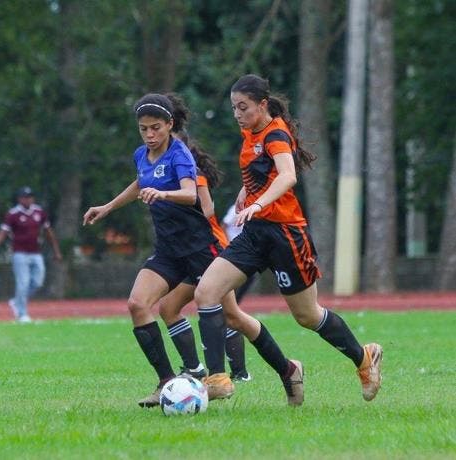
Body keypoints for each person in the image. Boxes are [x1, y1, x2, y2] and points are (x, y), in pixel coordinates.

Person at [194, 74, 383, 406]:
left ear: (262, 105)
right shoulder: (250, 132)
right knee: (206, 292)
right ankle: (217, 379)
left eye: (244, 107)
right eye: (234, 108)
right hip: (255, 235)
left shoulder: (276, 134)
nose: (238, 114)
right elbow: (260, 173)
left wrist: (256, 203)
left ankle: (364, 358)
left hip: (286, 235)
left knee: (307, 316)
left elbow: (287, 176)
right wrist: (245, 193)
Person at [83, 93, 235, 408]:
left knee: (233, 314)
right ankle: (168, 381)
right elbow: (140, 183)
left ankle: (274, 370)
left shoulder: (180, 155)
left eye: (156, 128)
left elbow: (191, 194)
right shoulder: (142, 154)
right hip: (168, 250)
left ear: (169, 124)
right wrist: (108, 207)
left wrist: (163, 194)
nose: (150, 135)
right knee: (138, 304)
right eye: (144, 129)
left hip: (198, 247)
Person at [157, 93, 251, 382]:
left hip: (211, 250)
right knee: (170, 307)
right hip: (192, 251)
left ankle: (240, 372)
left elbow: (206, 207)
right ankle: (199, 369)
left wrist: (178, 207)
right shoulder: (167, 169)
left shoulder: (187, 170)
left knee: (231, 313)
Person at [0, 186, 63, 323]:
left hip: (36, 253)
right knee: (23, 283)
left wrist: (56, 250)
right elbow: (2, 234)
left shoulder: (39, 212)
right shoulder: (13, 214)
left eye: (30, 197)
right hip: (19, 253)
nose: (28, 199)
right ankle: (22, 314)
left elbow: (48, 232)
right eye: (25, 197)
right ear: (20, 199)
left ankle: (16, 301)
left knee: (38, 282)